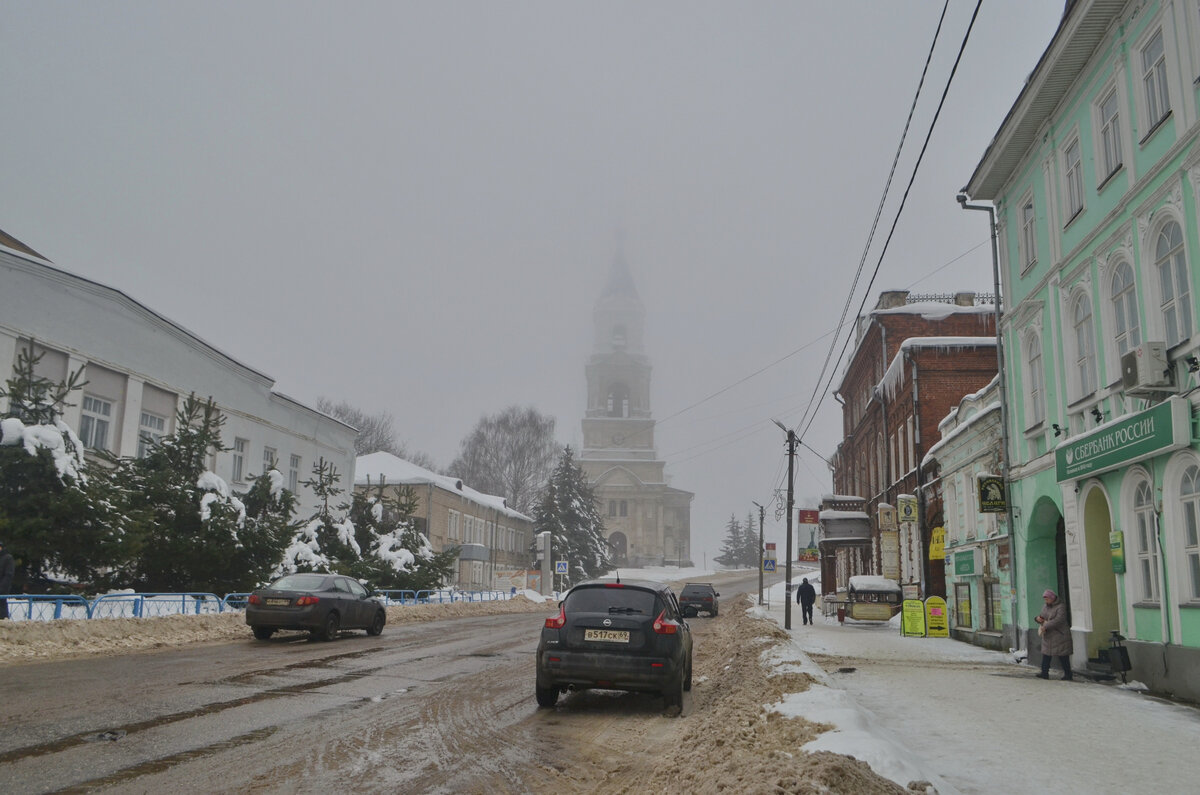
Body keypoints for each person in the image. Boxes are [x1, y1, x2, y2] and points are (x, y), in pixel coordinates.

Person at [1035, 588, 1072, 681]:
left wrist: (1046, 625)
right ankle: (1044, 673)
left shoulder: (1061, 607)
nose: (1046, 600)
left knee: (1063, 655)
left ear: (1052, 598)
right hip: (1048, 635)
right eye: (1045, 599)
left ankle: (1068, 674)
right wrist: (1037, 618)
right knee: (1046, 654)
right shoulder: (1045, 606)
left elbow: (1059, 620)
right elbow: (1042, 616)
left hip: (1060, 635)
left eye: (1047, 599)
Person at [0, 540, 14, 620]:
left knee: (2, 612)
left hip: (2, 591)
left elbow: (8, 575)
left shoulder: (7, 558)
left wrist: (1, 588)